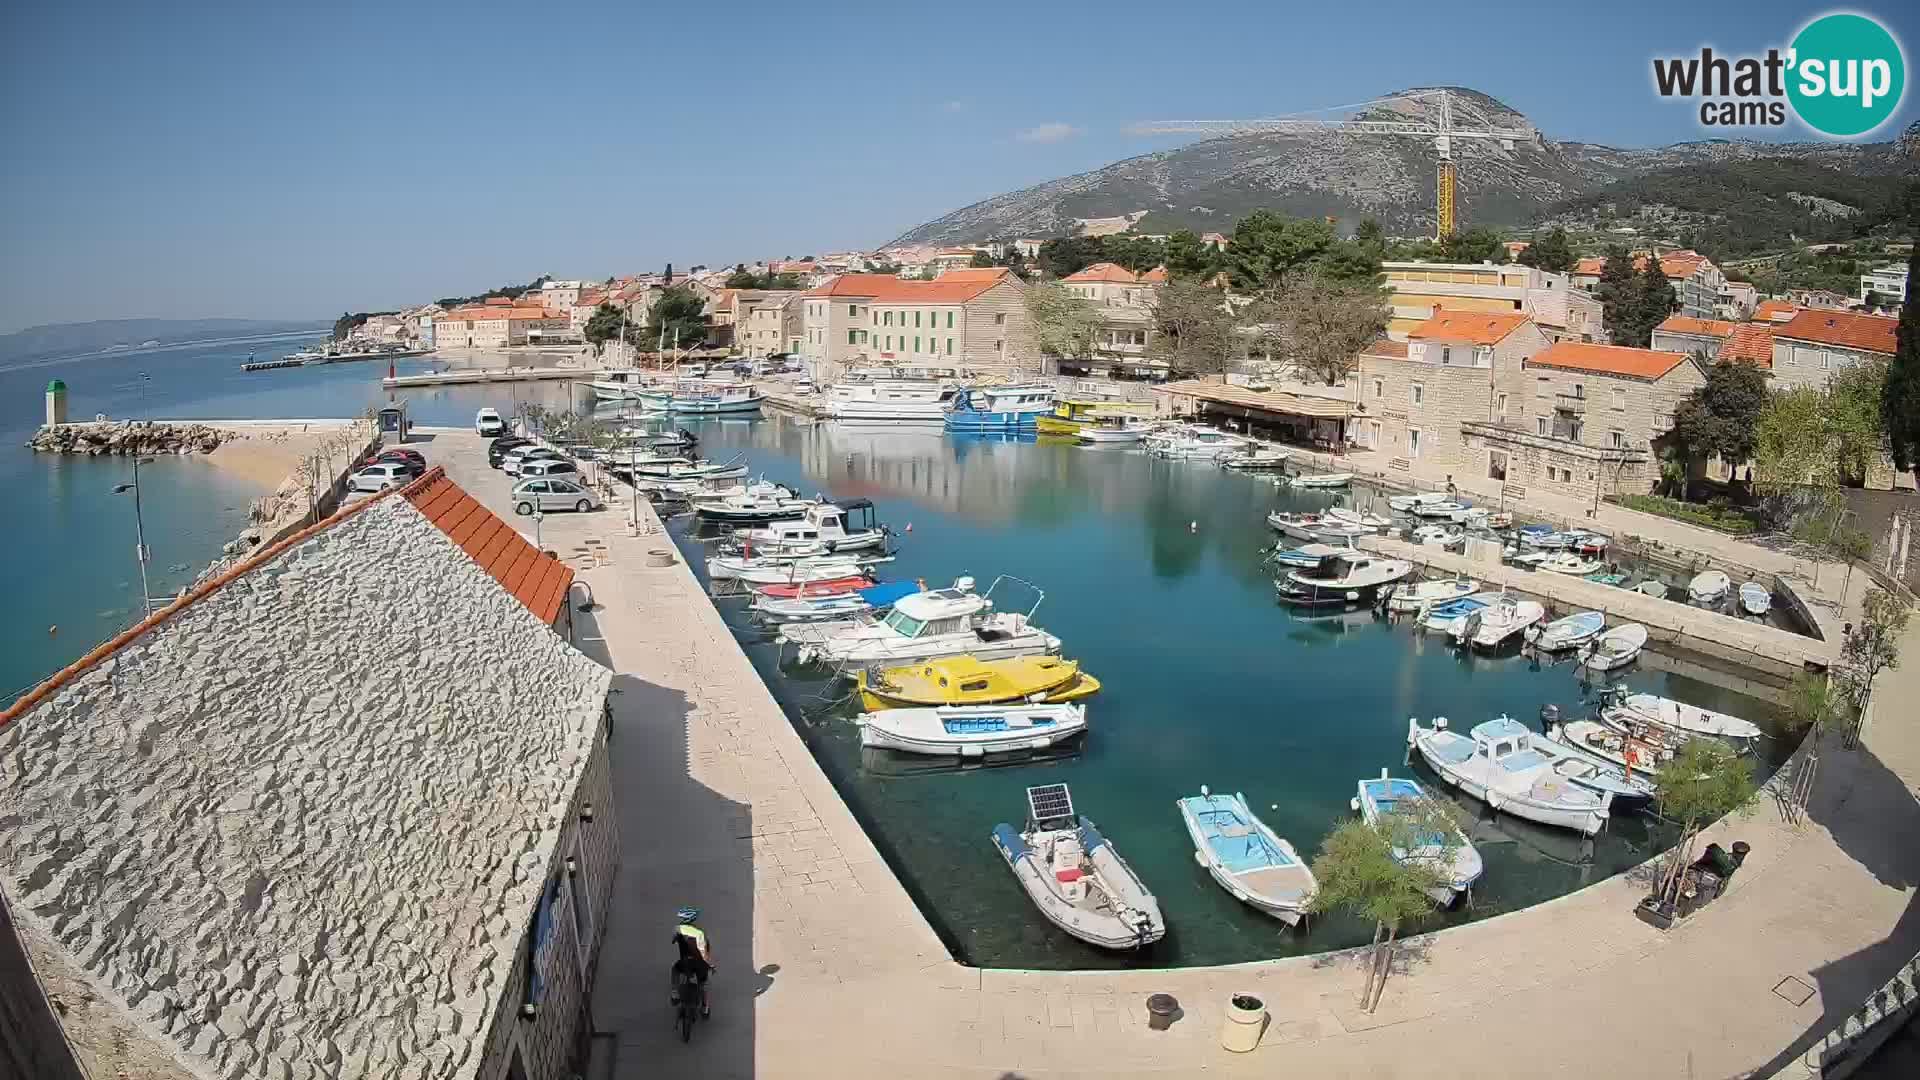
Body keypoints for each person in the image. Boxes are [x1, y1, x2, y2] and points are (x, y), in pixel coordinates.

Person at [670, 907, 712, 1018]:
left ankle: (675, 993)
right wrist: (710, 965)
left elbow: (673, 940)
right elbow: (703, 951)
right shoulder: (699, 933)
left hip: (685, 963)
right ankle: (705, 1008)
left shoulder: (677, 928)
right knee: (703, 984)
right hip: (699, 964)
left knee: (675, 970)